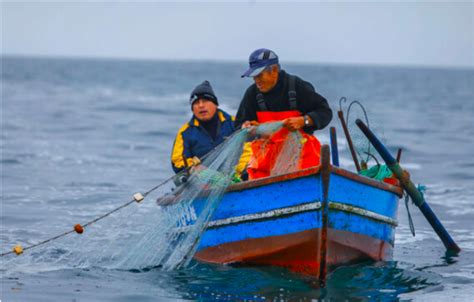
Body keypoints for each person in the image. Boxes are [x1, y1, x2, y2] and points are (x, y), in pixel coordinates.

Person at [235, 48, 333, 179]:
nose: (256, 80)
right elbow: (239, 126)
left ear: (274, 70)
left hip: (301, 159)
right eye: (253, 76)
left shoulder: (296, 86)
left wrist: (304, 120)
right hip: (265, 163)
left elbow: (325, 111)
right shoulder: (252, 94)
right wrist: (246, 128)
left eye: (260, 75)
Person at [171, 80, 236, 174]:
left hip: (235, 177)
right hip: (200, 181)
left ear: (215, 104)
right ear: (192, 109)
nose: (201, 105)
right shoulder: (185, 132)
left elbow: (248, 149)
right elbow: (177, 161)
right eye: (196, 103)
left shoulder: (235, 123)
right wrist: (193, 168)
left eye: (205, 101)